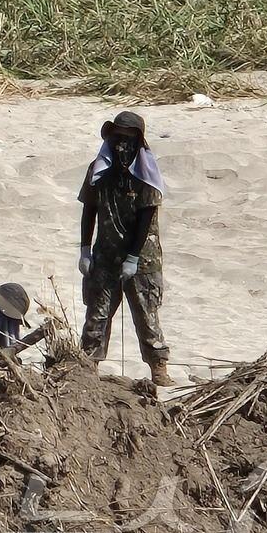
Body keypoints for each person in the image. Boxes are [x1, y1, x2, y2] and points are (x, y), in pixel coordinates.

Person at [77, 110, 173, 387]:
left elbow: (146, 219)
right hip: (105, 255)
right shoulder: (99, 170)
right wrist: (85, 250)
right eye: (118, 138)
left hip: (142, 258)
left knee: (146, 314)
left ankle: (158, 367)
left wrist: (132, 258)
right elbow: (89, 210)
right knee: (97, 314)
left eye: (128, 139)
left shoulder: (146, 174)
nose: (122, 145)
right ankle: (89, 365)